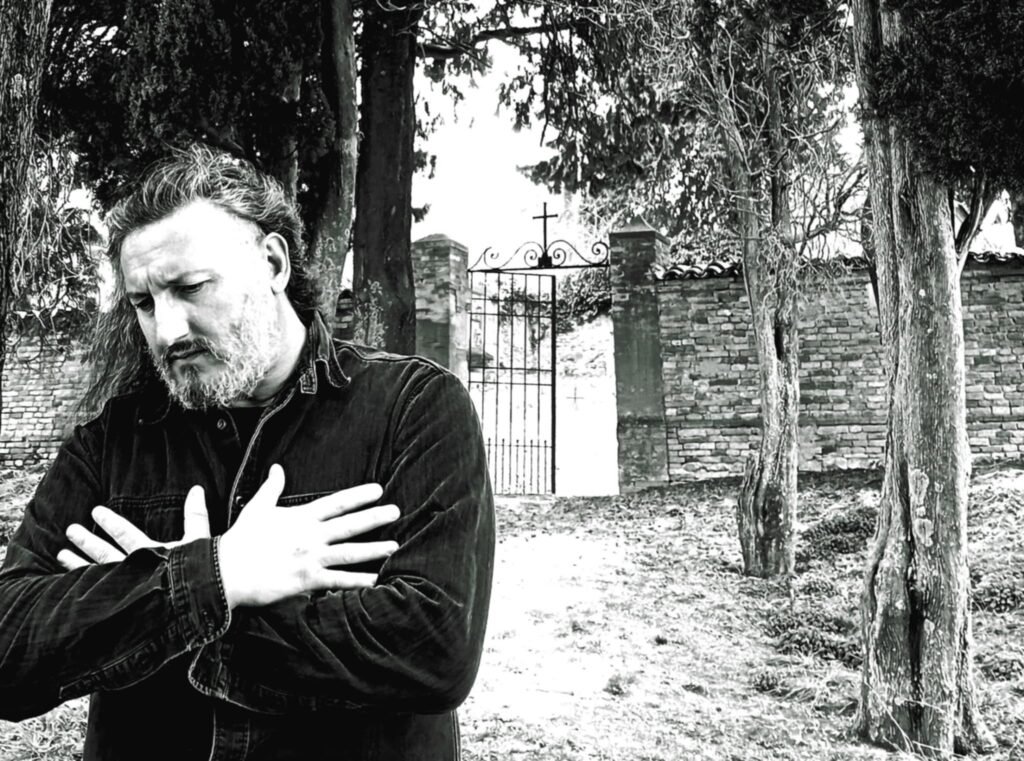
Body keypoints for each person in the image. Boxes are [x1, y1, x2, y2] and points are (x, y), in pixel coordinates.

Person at [0, 144, 496, 761]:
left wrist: (154, 608)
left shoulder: (413, 409)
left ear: (273, 263)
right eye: (144, 303)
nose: (167, 330)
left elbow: (434, 651)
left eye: (191, 287)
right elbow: (9, 648)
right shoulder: (115, 441)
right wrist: (216, 575)